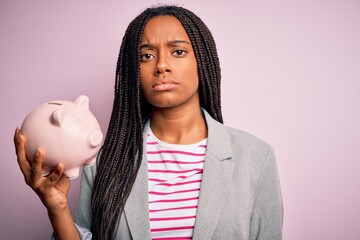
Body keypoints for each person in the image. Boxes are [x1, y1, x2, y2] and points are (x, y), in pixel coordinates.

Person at [14, 5, 283, 240]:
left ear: (202, 60)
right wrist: (57, 208)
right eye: (146, 55)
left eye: (178, 52)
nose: (161, 66)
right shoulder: (101, 161)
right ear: (133, 71)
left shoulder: (256, 158)